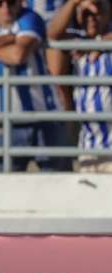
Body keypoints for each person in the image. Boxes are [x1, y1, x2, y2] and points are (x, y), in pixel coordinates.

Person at [0, 0, 71, 171]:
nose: (6, 8)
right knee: (7, 186)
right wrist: (8, 38)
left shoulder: (30, 17)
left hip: (45, 115)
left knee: (59, 181)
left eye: (11, 2)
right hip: (8, 120)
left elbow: (17, 55)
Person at [48, 0, 112, 172]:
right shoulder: (76, 42)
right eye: (86, 13)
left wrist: (102, 41)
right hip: (88, 146)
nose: (91, 18)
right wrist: (74, 3)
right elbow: (52, 34)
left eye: (98, 11)